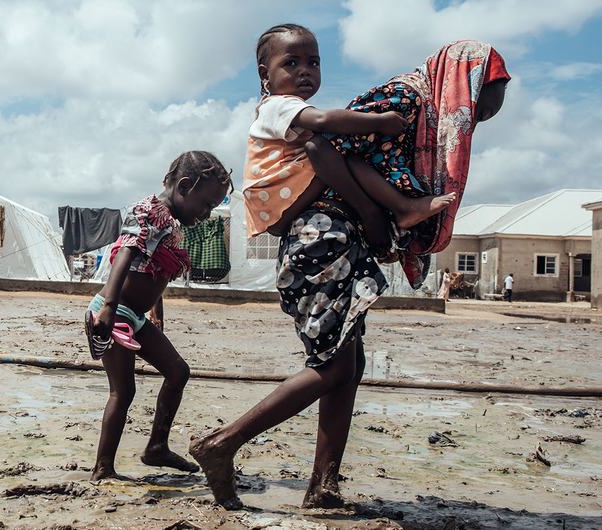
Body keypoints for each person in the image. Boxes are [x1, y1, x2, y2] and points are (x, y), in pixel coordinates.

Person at [190, 36, 510, 510]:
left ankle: (323, 485)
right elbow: (330, 154)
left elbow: (336, 158)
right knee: (334, 365)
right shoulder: (400, 100)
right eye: (476, 110)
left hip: (333, 241)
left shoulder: (403, 108)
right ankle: (222, 444)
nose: (470, 121)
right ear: (464, 87)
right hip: (321, 241)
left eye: (313, 62)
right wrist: (380, 216)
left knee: (349, 366)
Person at [242, 23, 457, 259]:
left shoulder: (284, 106)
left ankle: (385, 238)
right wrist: (378, 121)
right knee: (328, 149)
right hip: (277, 201)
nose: (304, 70)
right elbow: (324, 119)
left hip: (279, 203)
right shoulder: (277, 105)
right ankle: (391, 210)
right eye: (291, 63)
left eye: (313, 62)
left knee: (340, 155)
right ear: (265, 75)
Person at [84, 151, 233, 481]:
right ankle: (103, 469)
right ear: (184, 186)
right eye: (206, 205)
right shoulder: (151, 212)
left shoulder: (172, 222)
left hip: (136, 316)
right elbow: (127, 250)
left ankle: (156, 447)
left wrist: (156, 313)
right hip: (114, 313)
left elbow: (156, 272)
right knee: (123, 392)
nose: (207, 214)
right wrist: (108, 307)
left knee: (178, 372)